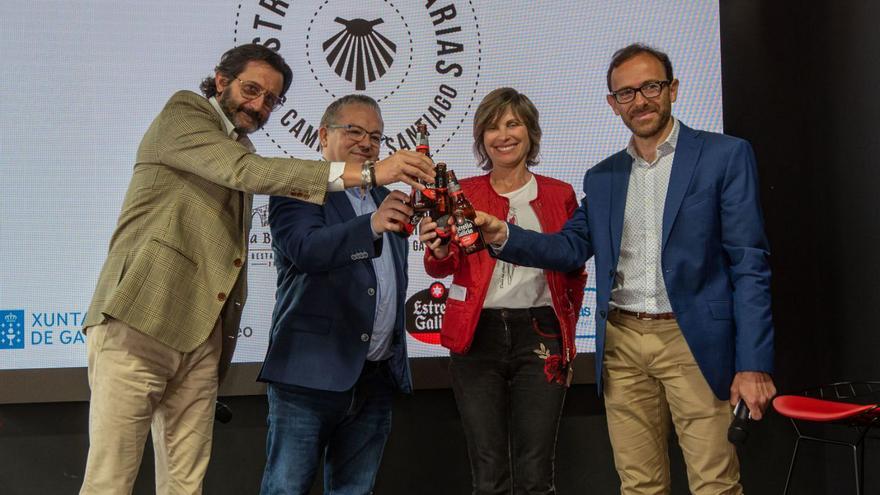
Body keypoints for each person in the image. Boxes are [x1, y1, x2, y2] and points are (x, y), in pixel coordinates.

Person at [80, 44, 433, 494]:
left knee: (184, 486)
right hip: (141, 320)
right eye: (252, 89)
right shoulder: (185, 112)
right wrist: (367, 174)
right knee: (109, 482)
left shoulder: (242, 145)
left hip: (203, 335)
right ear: (221, 80)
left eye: (271, 99)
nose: (260, 104)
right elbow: (258, 186)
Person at [476, 44, 776, 494]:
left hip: (693, 342)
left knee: (714, 484)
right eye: (626, 93)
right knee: (638, 486)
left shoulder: (723, 156)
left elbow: (749, 263)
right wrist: (503, 237)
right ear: (612, 104)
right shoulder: (603, 176)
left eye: (650, 86)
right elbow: (569, 247)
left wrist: (753, 364)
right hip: (622, 344)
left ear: (672, 88)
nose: (640, 100)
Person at [419, 87, 587, 495]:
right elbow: (441, 265)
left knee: (535, 474)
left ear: (530, 131)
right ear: (481, 139)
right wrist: (437, 248)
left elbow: (573, 266)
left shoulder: (559, 193)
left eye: (513, 123)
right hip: (478, 335)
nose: (503, 135)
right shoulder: (465, 192)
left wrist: (566, 334)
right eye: (491, 127)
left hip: (541, 333)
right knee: (489, 474)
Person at [258, 94, 414, 495]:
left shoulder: (388, 200)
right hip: (307, 376)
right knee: (285, 489)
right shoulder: (298, 187)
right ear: (323, 135)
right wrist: (372, 226)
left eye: (376, 137)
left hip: (375, 378)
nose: (366, 143)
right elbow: (308, 251)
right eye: (355, 131)